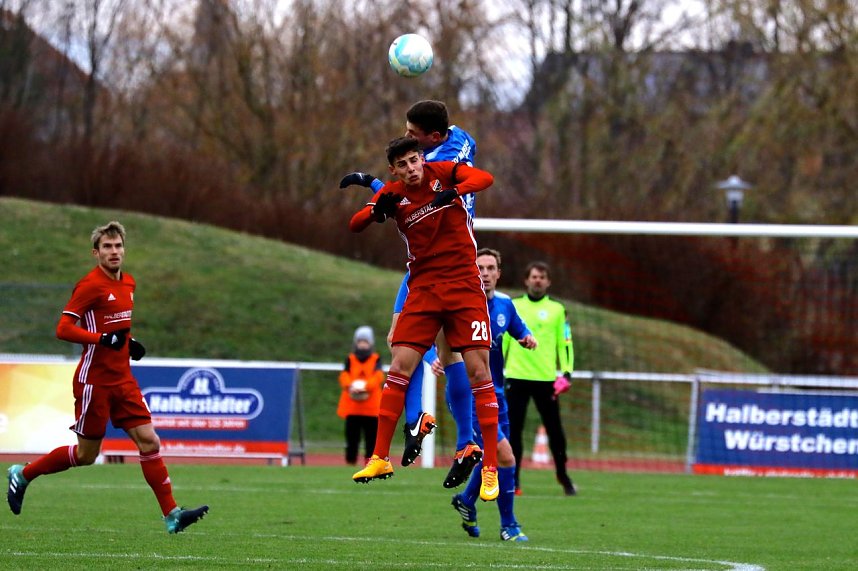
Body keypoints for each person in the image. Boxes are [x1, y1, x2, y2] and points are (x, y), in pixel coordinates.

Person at [5, 221, 209, 533]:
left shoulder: (128, 283)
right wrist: (101, 339)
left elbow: (117, 326)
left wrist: (130, 342)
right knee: (87, 455)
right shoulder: (89, 286)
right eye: (107, 247)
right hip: (94, 382)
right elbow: (63, 329)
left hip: (123, 379)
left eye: (118, 246)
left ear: (124, 250)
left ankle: (172, 514)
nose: (114, 252)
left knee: (149, 441)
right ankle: (24, 473)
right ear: (96, 252)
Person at [347, 136, 500, 502]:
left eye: (415, 160)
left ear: (422, 157)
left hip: (464, 287)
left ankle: (489, 466)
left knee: (480, 370)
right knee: (399, 364)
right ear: (394, 170)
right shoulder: (395, 195)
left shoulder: (444, 171)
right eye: (404, 164)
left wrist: (455, 192)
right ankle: (380, 458)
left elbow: (485, 178)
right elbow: (355, 224)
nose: (412, 168)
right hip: (425, 290)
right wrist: (374, 209)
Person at [448, 248, 537, 542]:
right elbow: (438, 339)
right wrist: (434, 358)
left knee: (497, 458)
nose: (484, 273)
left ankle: (467, 500)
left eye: (490, 268)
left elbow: (518, 329)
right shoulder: (458, 307)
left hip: (498, 396)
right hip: (473, 398)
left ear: (499, 273)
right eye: (480, 268)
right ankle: (509, 526)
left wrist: (527, 339)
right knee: (506, 456)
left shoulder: (505, 305)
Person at [502, 261, 577, 496]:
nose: (538, 280)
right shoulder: (512, 306)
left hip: (545, 380)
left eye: (542, 277)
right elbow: (503, 340)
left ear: (548, 281)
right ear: (526, 280)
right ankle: (514, 481)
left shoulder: (557, 310)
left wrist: (566, 372)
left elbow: (565, 343)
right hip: (516, 376)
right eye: (534, 276)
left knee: (556, 432)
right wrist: (496, 369)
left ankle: (563, 476)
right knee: (513, 431)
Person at [337, 326, 384, 465]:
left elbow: (378, 376)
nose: (362, 344)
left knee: (371, 439)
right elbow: (344, 375)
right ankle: (350, 461)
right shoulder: (350, 359)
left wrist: (365, 387)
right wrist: (351, 386)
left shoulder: (376, 359)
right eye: (360, 341)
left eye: (365, 342)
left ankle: (370, 463)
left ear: (370, 343)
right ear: (356, 343)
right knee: (352, 438)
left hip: (371, 408)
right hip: (353, 407)